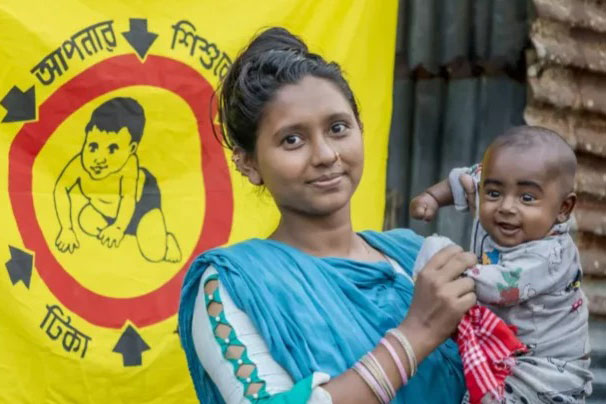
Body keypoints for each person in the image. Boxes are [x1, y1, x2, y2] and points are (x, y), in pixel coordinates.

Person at [179, 27, 478, 404]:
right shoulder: (233, 284)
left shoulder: (415, 257)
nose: (325, 155)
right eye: (292, 139)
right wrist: (416, 334)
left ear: (360, 129)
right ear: (249, 163)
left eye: (338, 128)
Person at [410, 126, 593, 403]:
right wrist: (432, 197)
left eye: (527, 198)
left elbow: (500, 286)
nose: (506, 206)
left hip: (545, 372)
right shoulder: (492, 192)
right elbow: (466, 179)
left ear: (563, 208)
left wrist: (441, 261)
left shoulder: (549, 256)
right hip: (512, 351)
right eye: (494, 193)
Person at [53, 97, 181, 262]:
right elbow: (60, 189)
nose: (99, 158)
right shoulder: (79, 165)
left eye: (112, 149)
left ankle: (166, 239)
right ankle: (123, 236)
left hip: (141, 209)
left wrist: (119, 228)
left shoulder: (130, 165)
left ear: (131, 149)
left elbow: (128, 198)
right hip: (107, 212)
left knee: (155, 255)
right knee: (85, 221)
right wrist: (66, 229)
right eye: (93, 147)